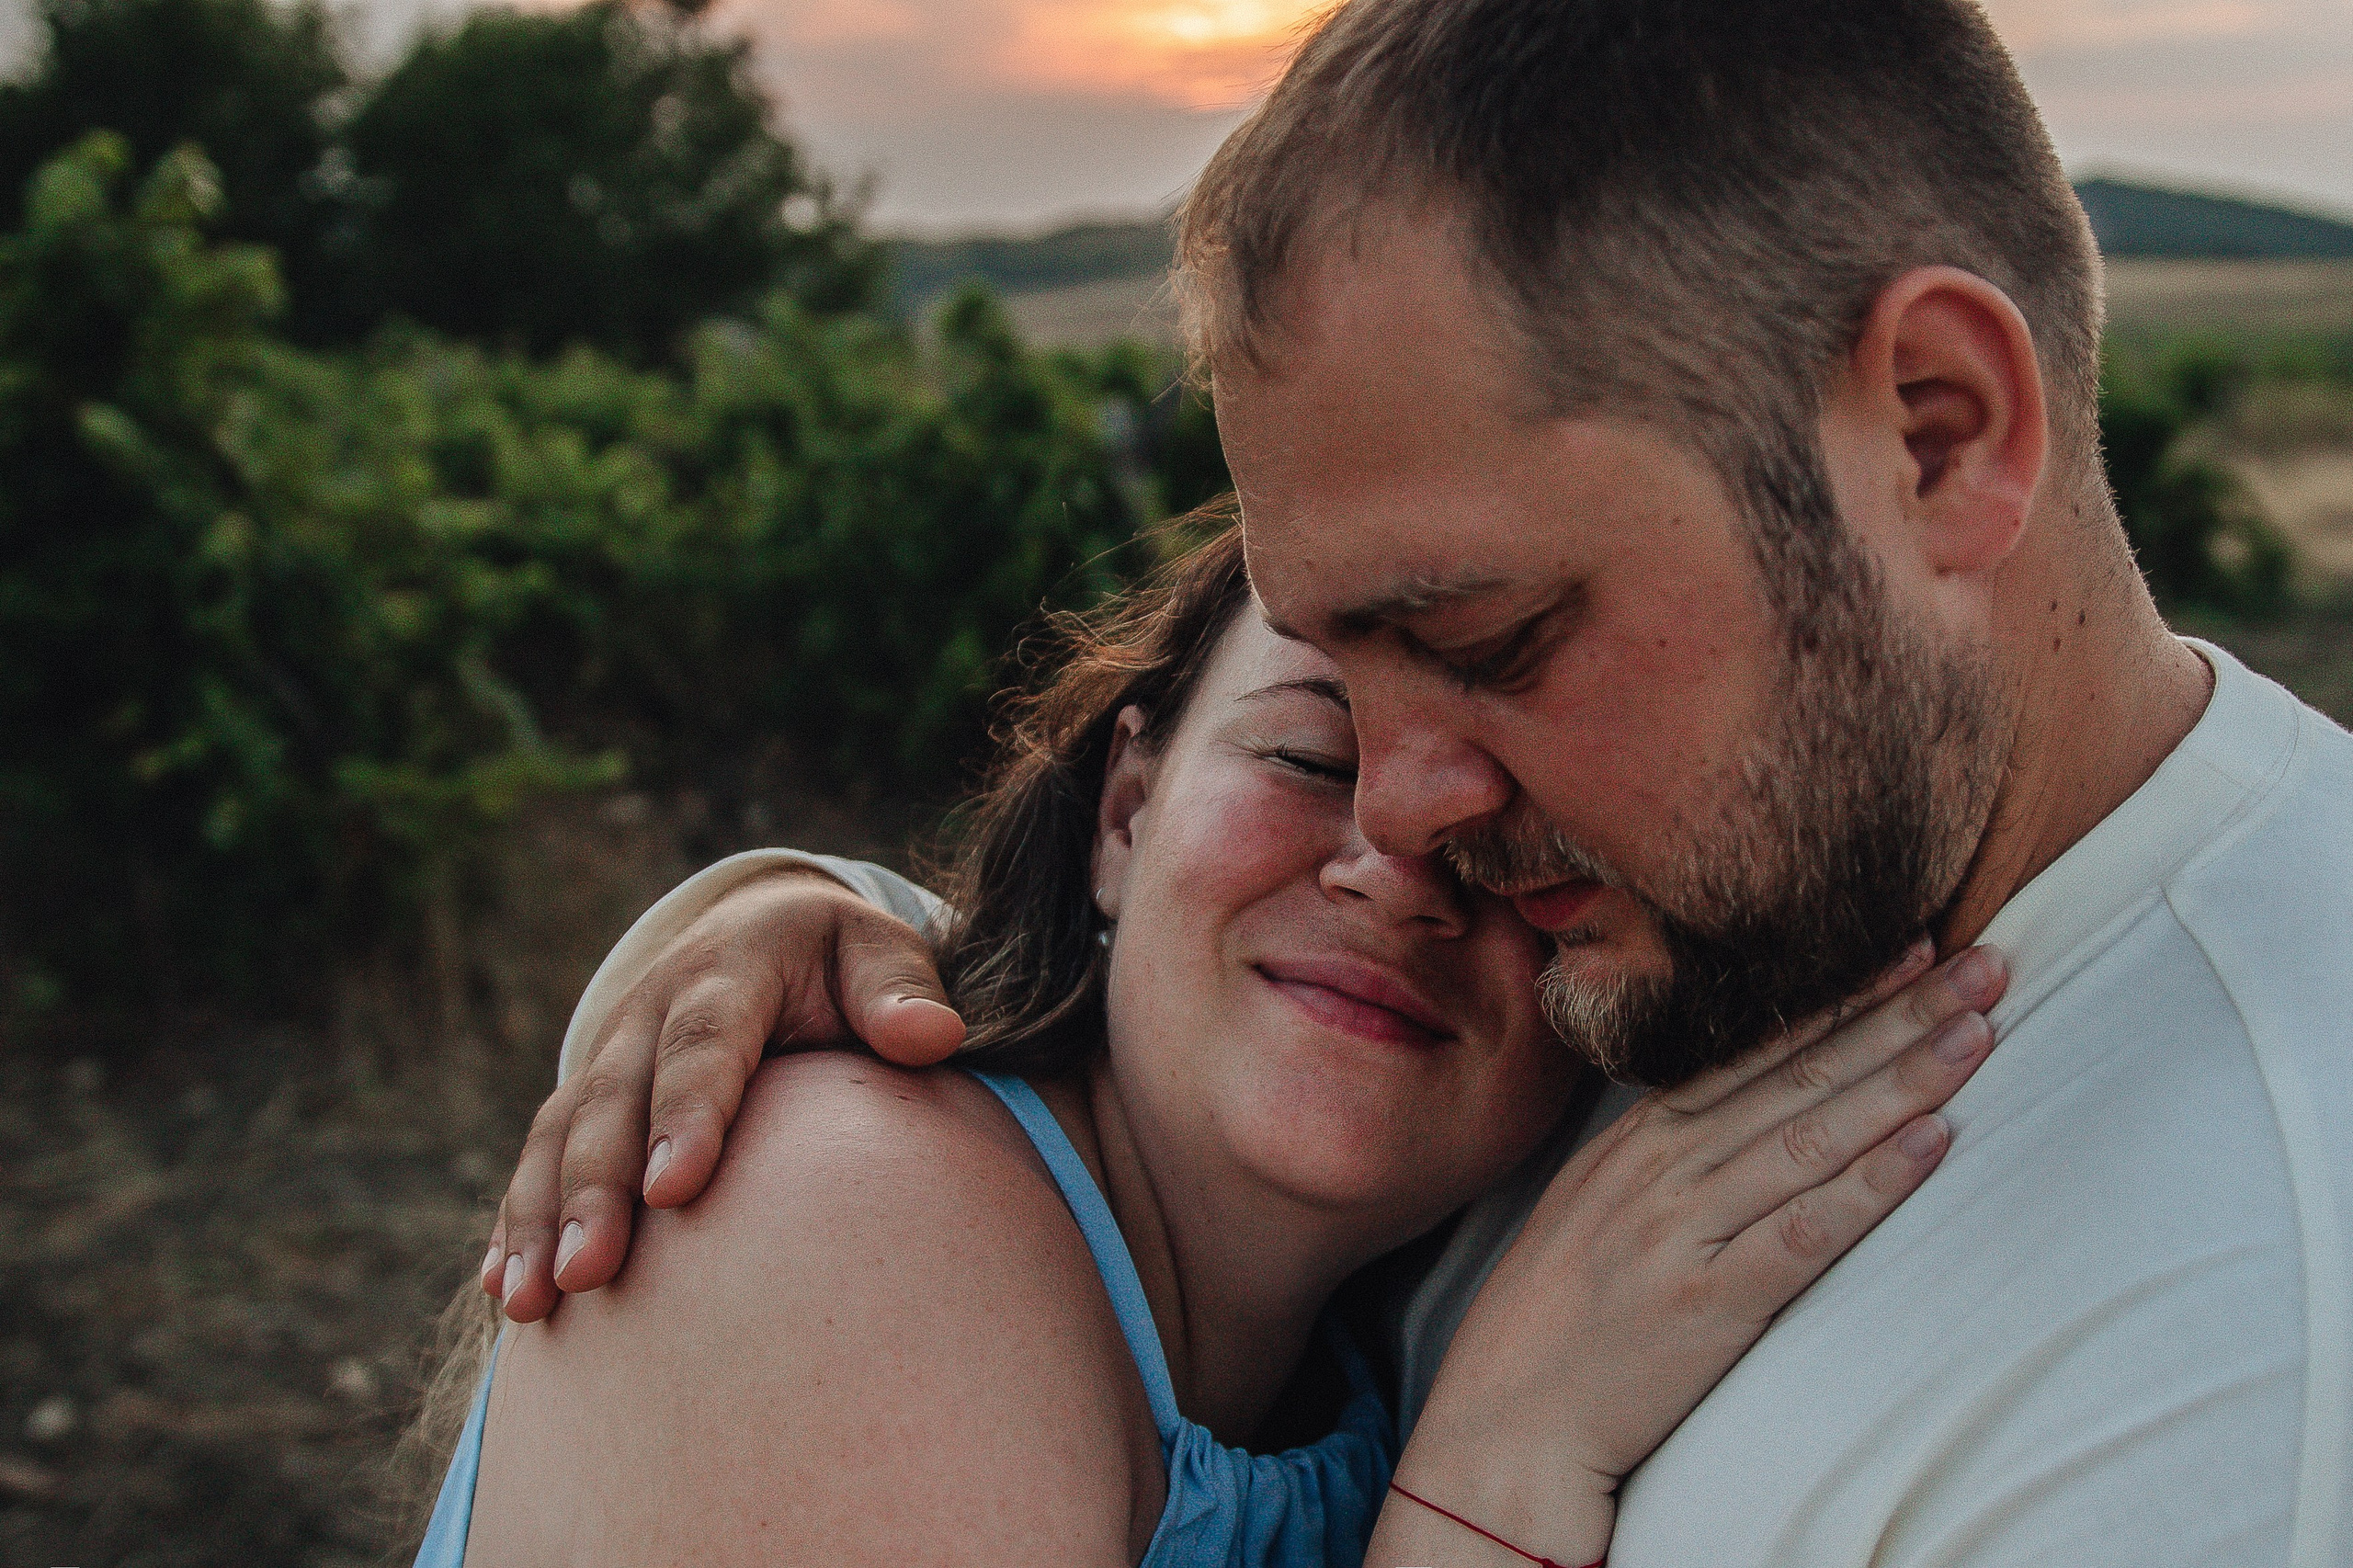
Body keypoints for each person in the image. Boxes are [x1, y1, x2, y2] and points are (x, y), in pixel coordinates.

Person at [488, 2, 2353, 1563]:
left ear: (1936, 436)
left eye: (1491, 643)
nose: (1394, 821)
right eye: (1320, 711)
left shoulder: (2234, 1360)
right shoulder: (1697, 924)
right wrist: (787, 921)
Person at [412, 525, 1998, 1565]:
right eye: (1314, 753)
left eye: (1515, 832)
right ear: (1123, 812)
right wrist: (1491, 1482)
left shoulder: (1363, 1356)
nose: (1396, 870)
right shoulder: (855, 1212)